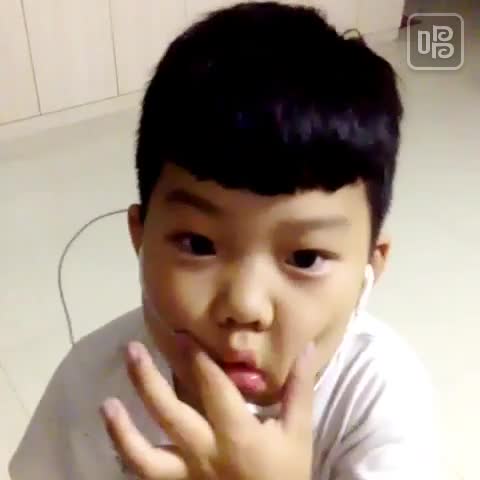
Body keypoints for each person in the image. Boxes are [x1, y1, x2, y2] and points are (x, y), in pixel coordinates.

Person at [10, 2, 440, 479]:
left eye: (304, 258)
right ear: (140, 237)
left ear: (369, 269)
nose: (245, 305)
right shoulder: (93, 381)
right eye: (198, 245)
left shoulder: (380, 398)